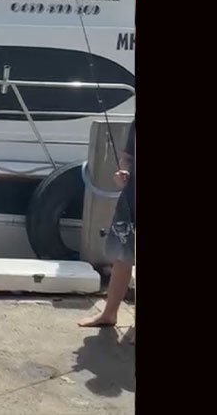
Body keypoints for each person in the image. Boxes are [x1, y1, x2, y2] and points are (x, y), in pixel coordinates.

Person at [79, 117, 135, 344]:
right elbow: (127, 156)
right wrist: (122, 172)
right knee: (122, 258)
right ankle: (109, 313)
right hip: (130, 199)